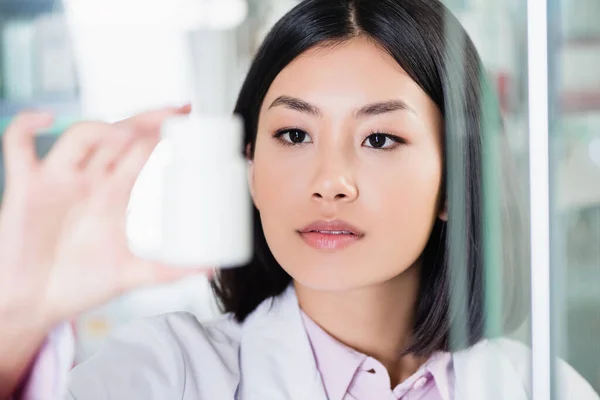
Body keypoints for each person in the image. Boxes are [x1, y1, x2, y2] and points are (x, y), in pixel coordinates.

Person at [0, 0, 598, 399]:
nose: (329, 181)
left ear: (456, 182)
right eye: (293, 134)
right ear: (250, 168)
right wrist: (16, 316)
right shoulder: (170, 373)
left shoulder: (541, 386)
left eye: (380, 137)